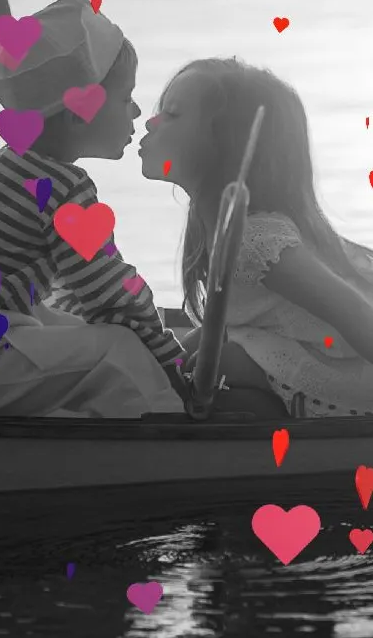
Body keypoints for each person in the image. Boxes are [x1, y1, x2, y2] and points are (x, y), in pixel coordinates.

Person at [0, 0, 187, 418]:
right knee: (118, 350)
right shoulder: (62, 188)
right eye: (125, 97)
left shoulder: (10, 165)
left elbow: (75, 289)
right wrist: (172, 360)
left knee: (69, 322)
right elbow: (111, 291)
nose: (138, 110)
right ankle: (175, 425)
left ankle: (79, 427)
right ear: (77, 113)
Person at [139, 57, 373, 418]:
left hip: (353, 368)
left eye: (172, 114)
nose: (151, 122)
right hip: (299, 348)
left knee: (211, 365)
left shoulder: (255, 241)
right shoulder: (215, 224)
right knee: (187, 354)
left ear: (226, 143)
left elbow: (352, 310)